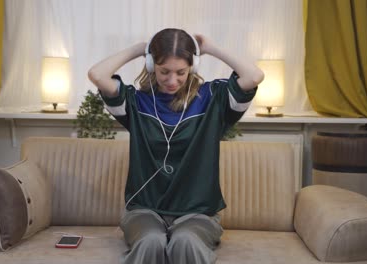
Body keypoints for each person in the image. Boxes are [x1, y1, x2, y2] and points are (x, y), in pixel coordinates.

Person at [88, 28, 264, 264]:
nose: (172, 81)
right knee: (151, 241)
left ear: (194, 66)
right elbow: (97, 75)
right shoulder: (136, 103)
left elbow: (253, 76)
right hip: (144, 211)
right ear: (152, 66)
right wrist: (139, 49)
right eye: (164, 72)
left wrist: (211, 48)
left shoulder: (213, 99)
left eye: (181, 72)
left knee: (186, 241)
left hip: (197, 213)